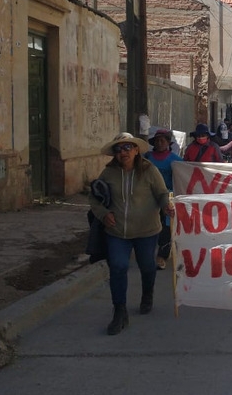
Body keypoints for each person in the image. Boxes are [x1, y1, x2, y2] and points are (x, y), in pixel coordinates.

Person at [90, 133, 174, 335]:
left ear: (136, 150)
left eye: (128, 147)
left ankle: (147, 293)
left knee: (147, 266)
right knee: (118, 267)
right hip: (117, 231)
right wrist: (103, 214)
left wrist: (166, 207)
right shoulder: (108, 173)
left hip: (146, 230)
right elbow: (94, 198)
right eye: (119, 149)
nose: (123, 152)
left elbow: (162, 194)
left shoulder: (149, 170)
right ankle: (119, 312)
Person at [143, 129, 182, 269]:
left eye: (163, 140)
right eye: (157, 140)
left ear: (168, 143)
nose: (160, 143)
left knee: (166, 228)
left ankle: (162, 256)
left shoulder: (176, 161)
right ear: (154, 142)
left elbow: (184, 176)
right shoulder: (146, 158)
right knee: (151, 226)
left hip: (168, 197)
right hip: (149, 198)